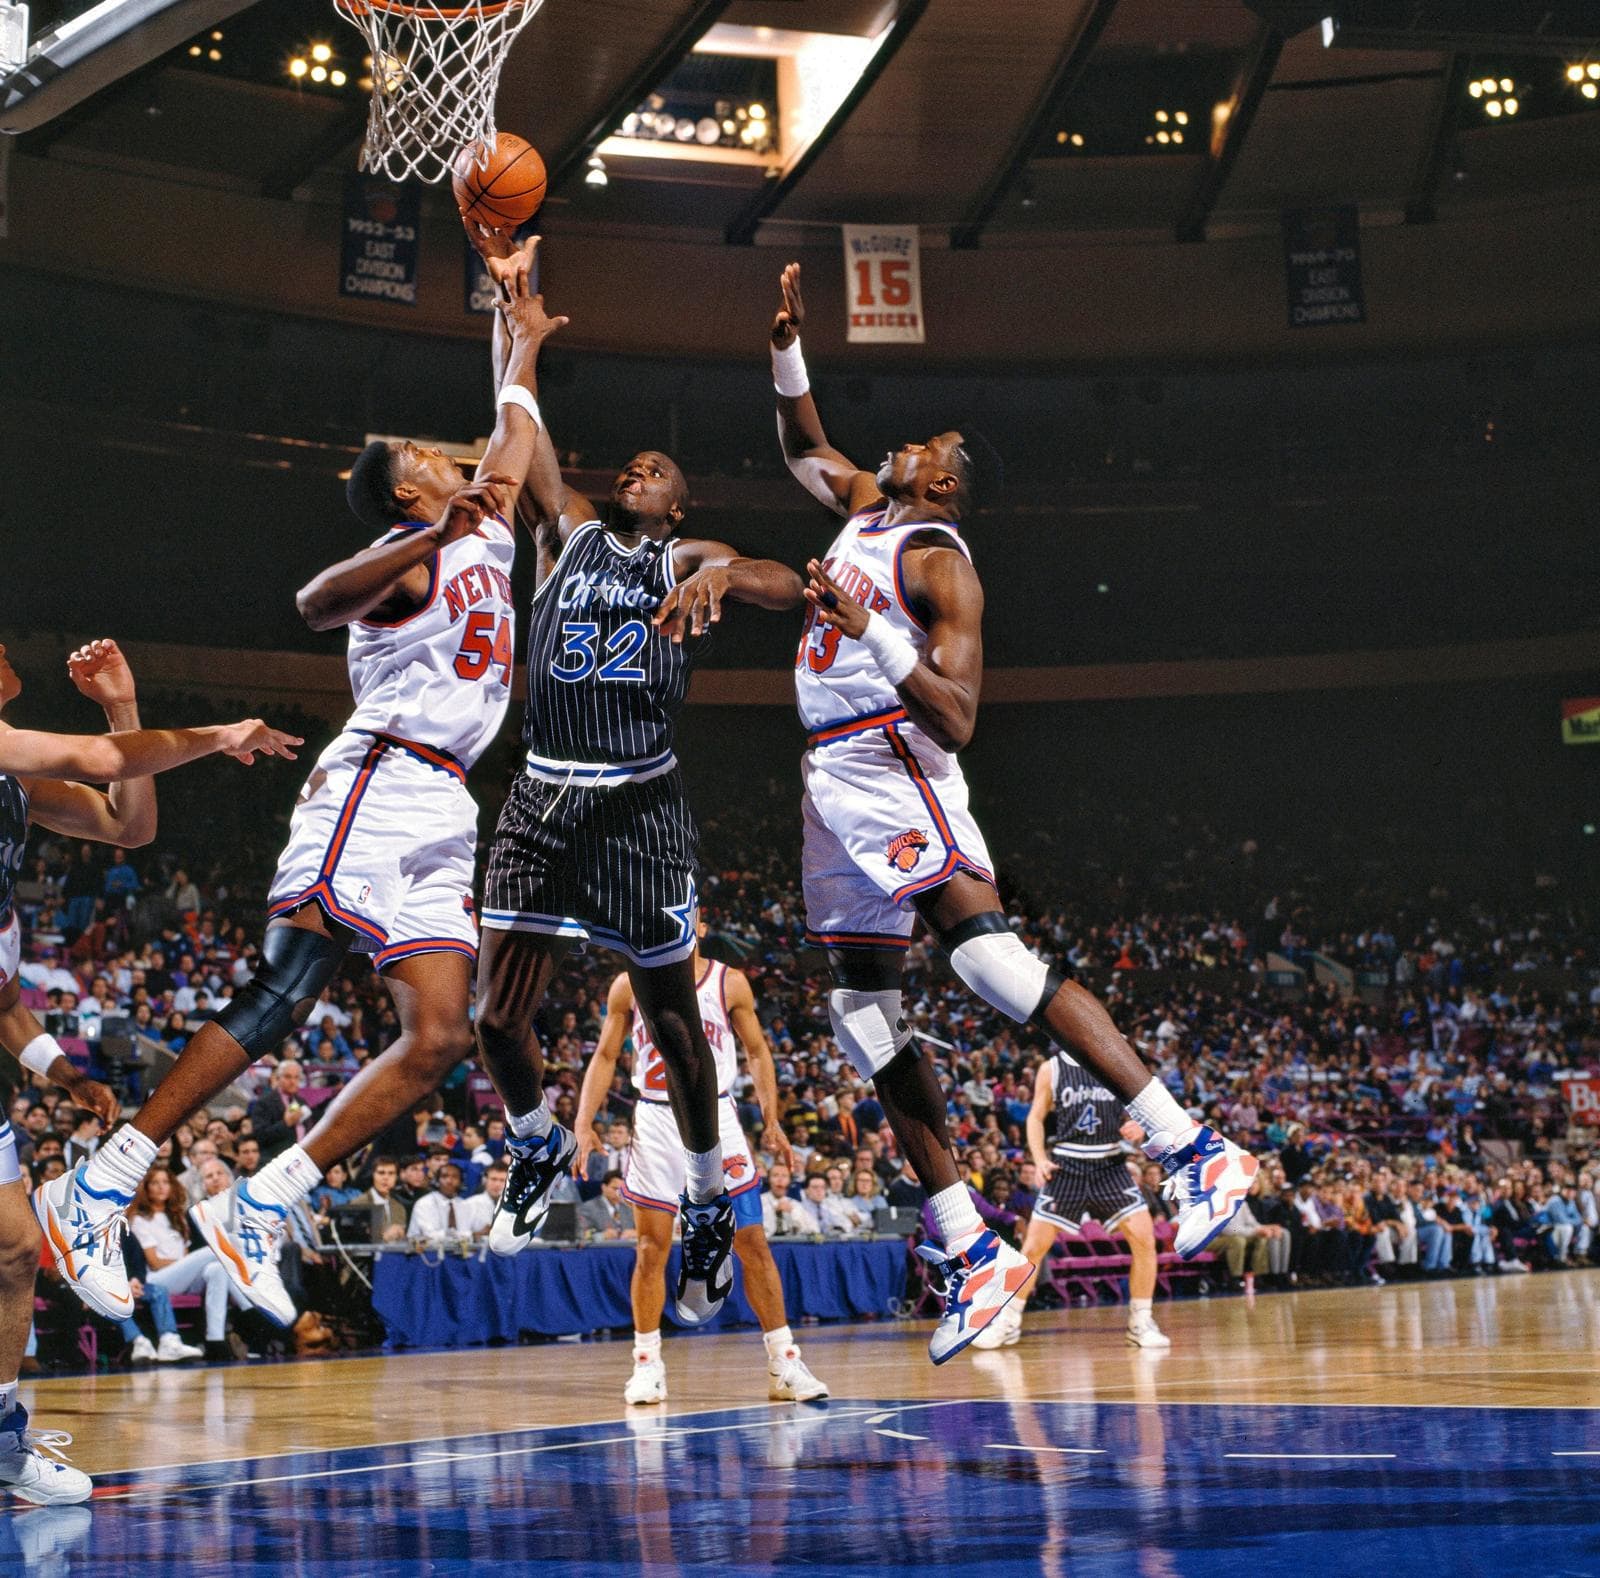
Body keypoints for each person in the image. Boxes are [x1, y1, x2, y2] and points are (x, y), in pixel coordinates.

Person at [40, 263, 564, 1332]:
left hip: (443, 804)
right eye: (428, 461)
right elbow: (313, 602)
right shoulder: (401, 555)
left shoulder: (484, 521)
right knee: (285, 992)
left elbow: (512, 431)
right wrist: (433, 529)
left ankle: (266, 1195)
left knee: (437, 1040)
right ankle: (97, 1185)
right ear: (408, 492)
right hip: (375, 779)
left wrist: (522, 328)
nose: (449, 457)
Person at [765, 264, 1255, 1362]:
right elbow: (803, 445)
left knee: (986, 962)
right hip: (828, 780)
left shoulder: (935, 559)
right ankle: (973, 1251)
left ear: (943, 485)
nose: (904, 445)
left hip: (894, 763)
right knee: (860, 1016)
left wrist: (868, 628)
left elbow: (957, 716)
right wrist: (788, 349)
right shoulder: (862, 508)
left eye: (926, 447)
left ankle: (1191, 1147)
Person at [465, 233, 805, 1329]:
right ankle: (531, 1143)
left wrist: (727, 583)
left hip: (641, 803)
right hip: (542, 791)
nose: (637, 472)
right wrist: (513, 326)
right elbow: (520, 436)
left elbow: (779, 576)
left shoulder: (681, 556)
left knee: (676, 1028)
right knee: (491, 1016)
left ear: (676, 505)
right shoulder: (563, 535)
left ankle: (708, 1192)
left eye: (657, 473)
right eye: (633, 467)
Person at [0, 637, 295, 1502]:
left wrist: (61, 1072)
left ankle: (2, 1442)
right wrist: (221, 731)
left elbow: (128, 824)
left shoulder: (13, 783)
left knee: (16, 1253)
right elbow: (96, 762)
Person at [573, 928, 826, 1405]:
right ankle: (647, 1363)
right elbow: (606, 1054)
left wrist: (772, 1120)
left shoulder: (729, 982)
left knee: (751, 1240)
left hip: (717, 1113)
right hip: (654, 1118)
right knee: (651, 1247)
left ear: (701, 928)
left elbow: (757, 1052)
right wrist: (583, 1122)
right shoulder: (629, 983)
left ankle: (784, 1360)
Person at [578, 1171, 635, 1240]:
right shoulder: (589, 1208)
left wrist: (635, 1233)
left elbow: (645, 1232)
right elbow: (580, 1235)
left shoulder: (629, 1209)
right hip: (601, 1249)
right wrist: (601, 1236)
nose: (619, 1193)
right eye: (615, 1189)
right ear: (604, 1187)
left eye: (623, 1190)